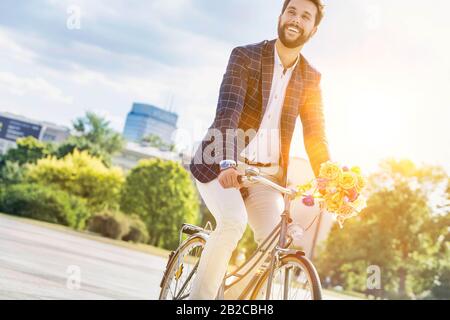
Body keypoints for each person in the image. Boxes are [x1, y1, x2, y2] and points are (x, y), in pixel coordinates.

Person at [189, 0, 331, 300]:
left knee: (273, 244)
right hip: (220, 163)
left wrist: (329, 179)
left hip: (265, 177)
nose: (296, 19)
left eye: (305, 16)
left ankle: (230, 301)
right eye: (291, 11)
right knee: (232, 222)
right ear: (281, 16)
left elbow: (316, 134)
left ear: (314, 29)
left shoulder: (311, 78)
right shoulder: (246, 56)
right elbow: (227, 113)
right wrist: (228, 161)